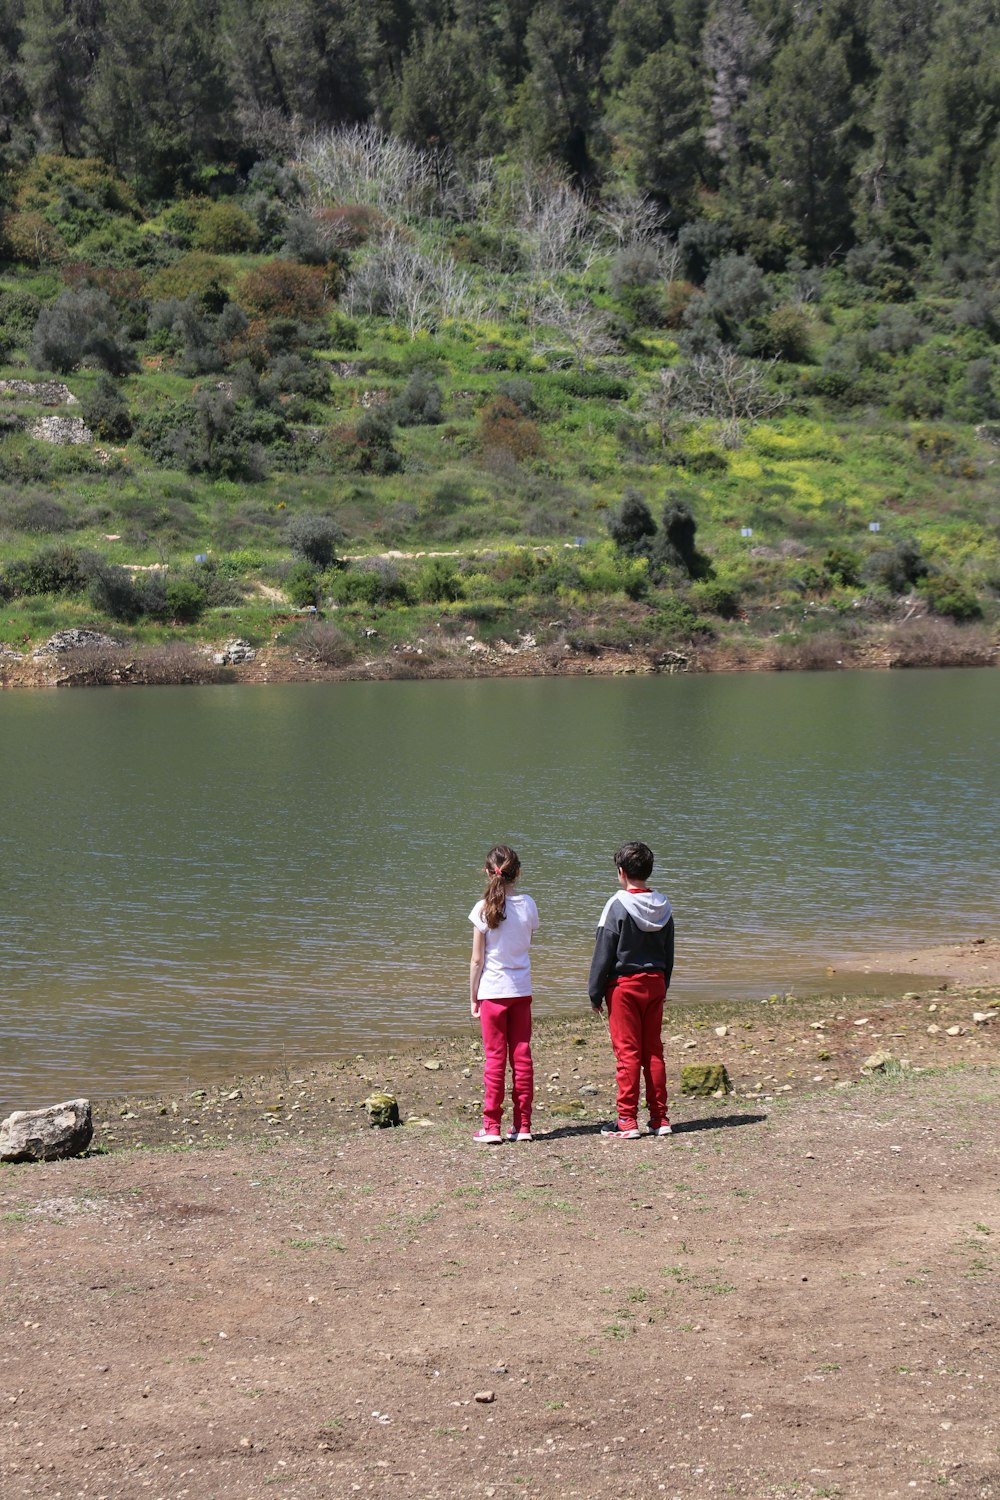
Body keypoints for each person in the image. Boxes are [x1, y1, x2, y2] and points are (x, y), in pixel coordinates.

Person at [588, 841, 674, 1140]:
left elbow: (604, 951)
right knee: (653, 1051)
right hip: (655, 983)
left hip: (624, 987)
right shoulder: (664, 905)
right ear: (648, 871)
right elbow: (669, 951)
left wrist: (595, 993)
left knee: (627, 1054)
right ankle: (660, 1118)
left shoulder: (617, 904)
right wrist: (663, 984)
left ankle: (626, 1120)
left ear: (621, 872)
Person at [469, 844, 538, 1144]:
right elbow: (526, 941)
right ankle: (523, 1126)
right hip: (521, 991)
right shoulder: (529, 905)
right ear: (518, 872)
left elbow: (476, 960)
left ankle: (491, 1127)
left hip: (493, 993)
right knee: (522, 1057)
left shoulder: (482, 908)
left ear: (487, 872)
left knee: (494, 1059)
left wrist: (473, 997)